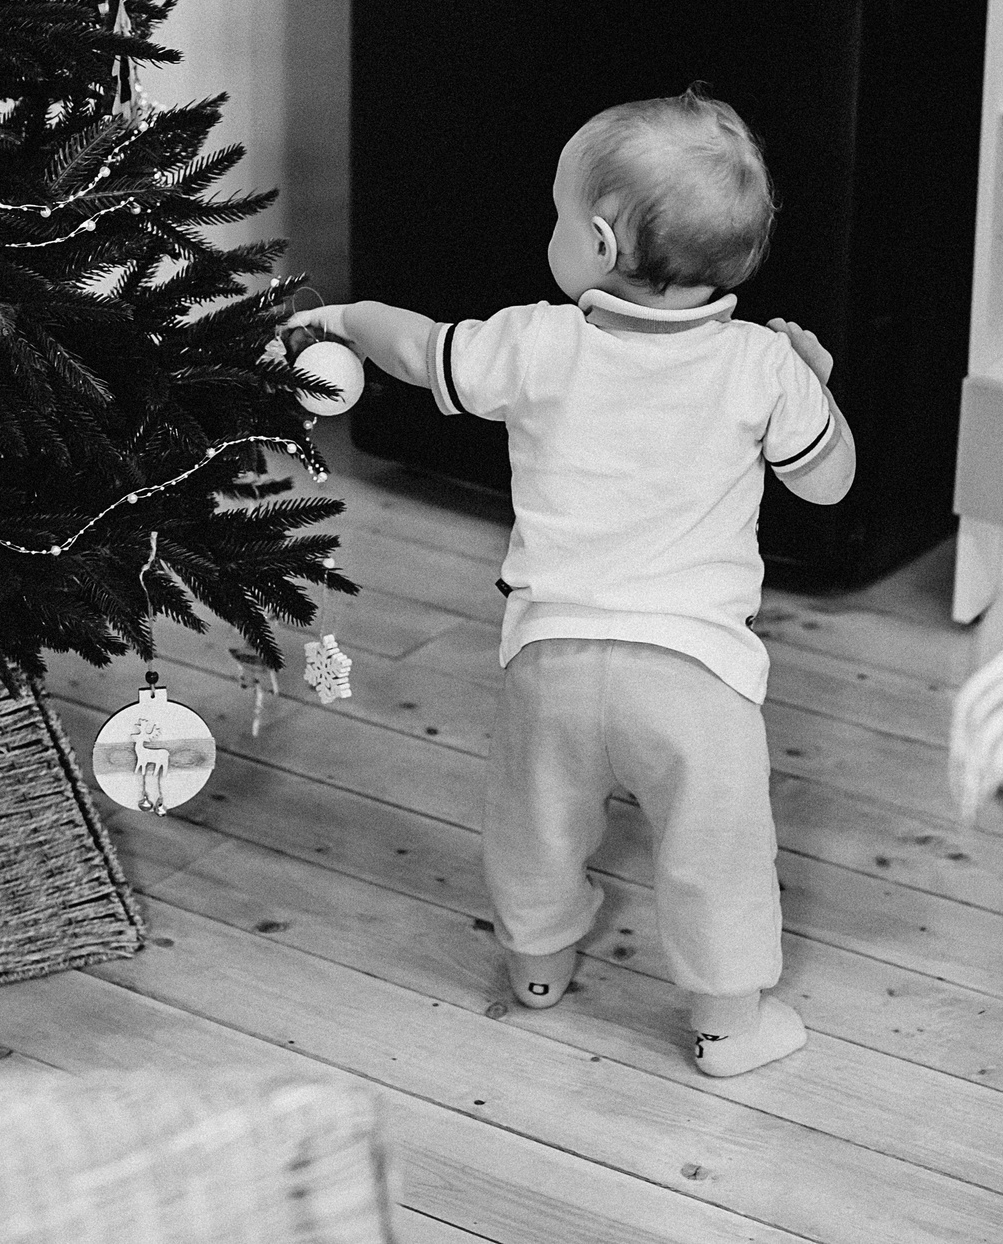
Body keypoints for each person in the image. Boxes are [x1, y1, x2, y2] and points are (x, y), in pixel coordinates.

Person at [294, 88, 855, 1076]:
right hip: (697, 676)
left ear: (597, 244)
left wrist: (339, 314)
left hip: (549, 656)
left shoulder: (537, 342)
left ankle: (539, 968)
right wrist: (813, 384)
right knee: (714, 849)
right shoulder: (761, 366)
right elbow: (828, 479)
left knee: (537, 821)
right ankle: (728, 1022)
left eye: (556, 216)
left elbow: (420, 351)